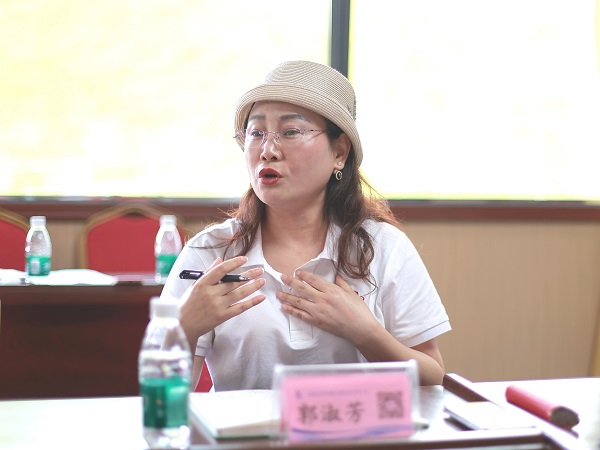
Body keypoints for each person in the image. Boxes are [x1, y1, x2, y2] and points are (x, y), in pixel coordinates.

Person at [161, 60, 451, 390]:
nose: (268, 151)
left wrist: (366, 333)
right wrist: (184, 328)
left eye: (291, 132)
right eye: (256, 133)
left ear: (339, 152)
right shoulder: (209, 252)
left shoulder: (384, 247)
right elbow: (163, 396)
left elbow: (433, 377)